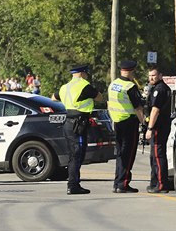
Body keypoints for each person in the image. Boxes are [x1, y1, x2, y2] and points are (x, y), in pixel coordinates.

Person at [52, 64, 103, 195]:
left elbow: (53, 97)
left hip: (68, 123)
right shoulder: (84, 85)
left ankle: (74, 183)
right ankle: (73, 185)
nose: (87, 76)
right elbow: (99, 98)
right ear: (82, 73)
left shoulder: (65, 87)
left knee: (73, 155)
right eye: (86, 73)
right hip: (79, 124)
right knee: (77, 155)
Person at [107, 60, 145, 193]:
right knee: (128, 155)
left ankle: (117, 182)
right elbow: (138, 107)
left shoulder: (113, 84)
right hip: (129, 122)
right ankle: (123, 184)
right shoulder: (129, 86)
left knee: (120, 155)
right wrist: (144, 123)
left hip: (117, 122)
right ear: (131, 71)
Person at [144, 66, 172, 193]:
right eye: (150, 75)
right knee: (154, 156)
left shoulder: (159, 89)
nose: (151, 78)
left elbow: (155, 110)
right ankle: (155, 182)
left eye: (154, 75)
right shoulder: (157, 88)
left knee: (158, 155)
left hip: (158, 126)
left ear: (160, 75)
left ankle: (161, 184)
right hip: (161, 125)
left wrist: (150, 128)